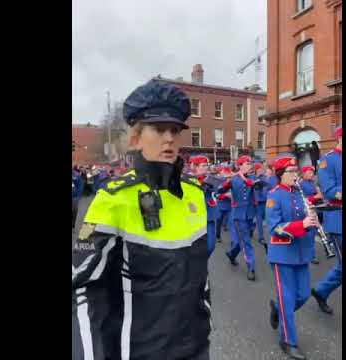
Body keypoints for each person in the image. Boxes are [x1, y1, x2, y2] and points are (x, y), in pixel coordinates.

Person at [72, 79, 211, 360]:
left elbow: (201, 277)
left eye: (175, 130)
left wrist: (206, 319)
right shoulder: (111, 199)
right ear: (136, 137)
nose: (169, 138)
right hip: (140, 350)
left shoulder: (194, 195)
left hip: (195, 348)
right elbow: (82, 286)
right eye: (159, 129)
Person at [266, 156, 318, 360]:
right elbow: (275, 227)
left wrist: (313, 219)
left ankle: (278, 311)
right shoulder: (274, 195)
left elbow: (305, 214)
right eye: (291, 172)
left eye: (296, 171)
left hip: (301, 251)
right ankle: (288, 341)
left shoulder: (299, 192)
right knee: (287, 299)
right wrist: (302, 225)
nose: (295, 175)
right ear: (280, 175)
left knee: (304, 294)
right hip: (283, 253)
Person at [311, 126, 342, 315]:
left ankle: (321, 290)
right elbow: (330, 191)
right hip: (338, 219)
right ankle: (321, 291)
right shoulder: (327, 160)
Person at [224, 155, 257, 281]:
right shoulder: (233, 179)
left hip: (250, 214)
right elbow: (219, 191)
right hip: (239, 215)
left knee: (242, 241)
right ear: (240, 165)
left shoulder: (253, 178)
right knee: (246, 242)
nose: (250, 166)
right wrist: (226, 184)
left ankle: (232, 254)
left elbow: (253, 185)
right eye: (247, 164)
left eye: (250, 164)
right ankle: (251, 267)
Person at [189, 155, 220, 256]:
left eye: (207, 165)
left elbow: (217, 192)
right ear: (195, 167)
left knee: (211, 246)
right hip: (194, 218)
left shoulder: (211, 179)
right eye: (204, 165)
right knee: (194, 246)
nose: (207, 167)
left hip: (209, 216)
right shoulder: (188, 180)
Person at [299, 165, 323, 265]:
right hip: (306, 211)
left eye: (312, 173)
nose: (311, 174)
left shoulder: (312, 183)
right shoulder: (300, 184)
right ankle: (310, 255)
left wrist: (318, 192)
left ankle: (310, 254)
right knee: (309, 234)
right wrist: (316, 197)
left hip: (315, 209)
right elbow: (301, 200)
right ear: (303, 174)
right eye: (309, 173)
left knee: (312, 234)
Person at [215, 166, 233, 242]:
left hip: (230, 206)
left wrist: (233, 195)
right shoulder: (218, 181)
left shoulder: (233, 182)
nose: (227, 175)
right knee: (218, 221)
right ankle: (217, 236)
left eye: (228, 173)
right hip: (220, 206)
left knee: (231, 223)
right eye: (225, 173)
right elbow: (216, 195)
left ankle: (234, 240)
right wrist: (226, 195)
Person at [253, 162, 268, 248]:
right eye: (258, 169)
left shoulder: (266, 178)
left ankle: (266, 235)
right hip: (258, 202)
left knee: (266, 219)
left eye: (261, 169)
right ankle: (261, 237)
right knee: (259, 220)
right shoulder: (253, 178)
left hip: (266, 201)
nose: (260, 171)